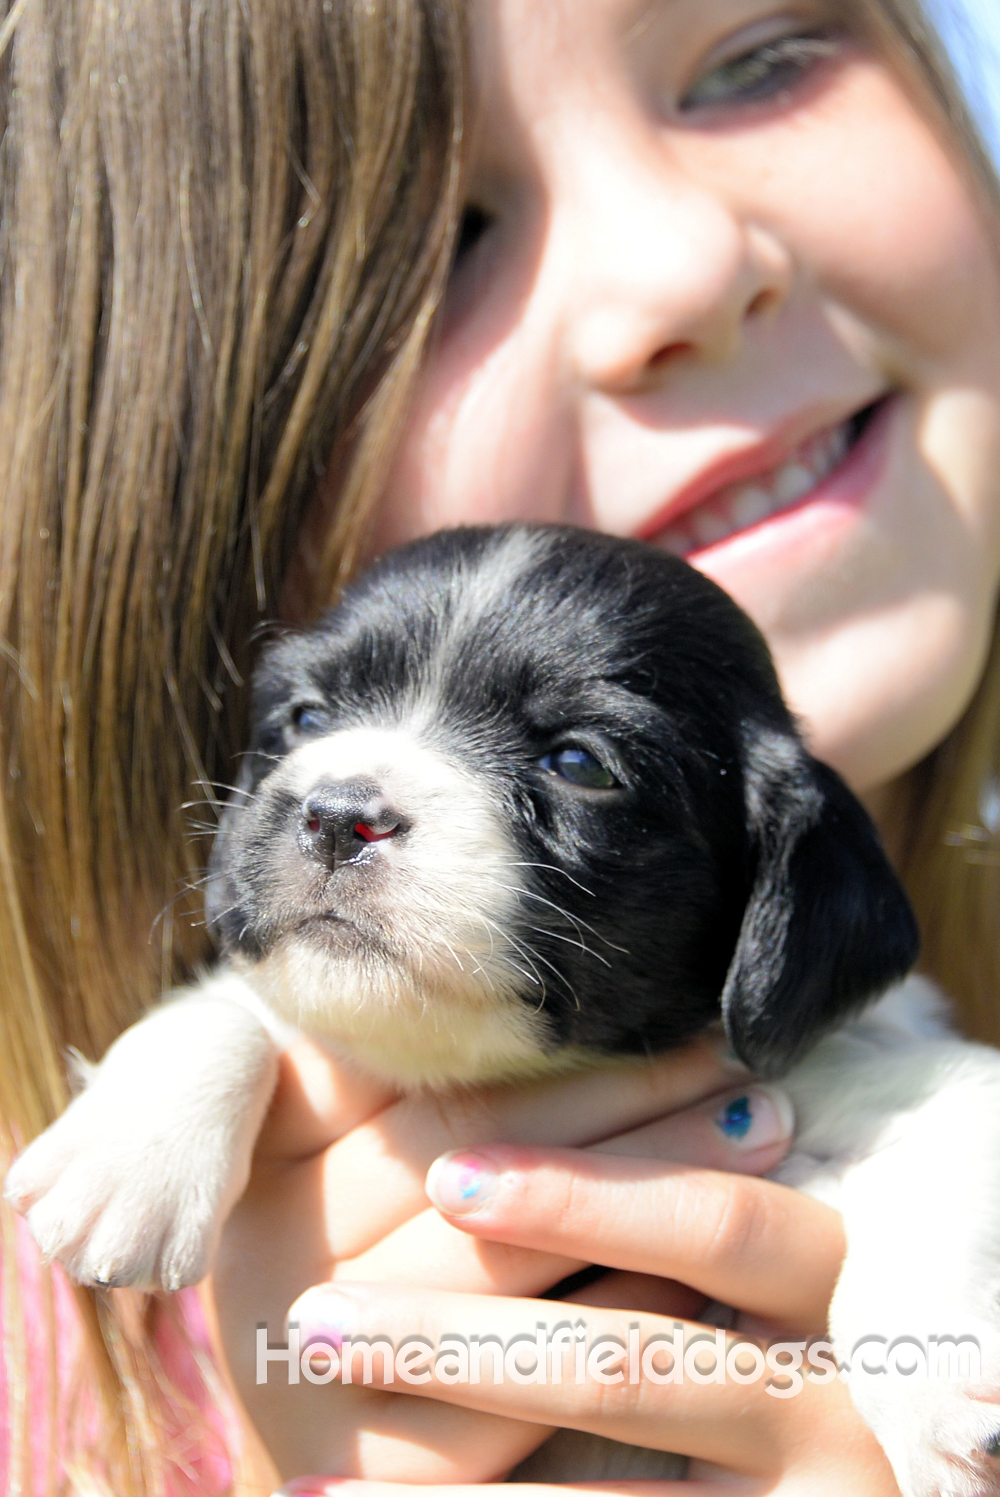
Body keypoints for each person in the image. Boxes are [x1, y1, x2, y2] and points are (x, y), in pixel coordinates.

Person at [2, 2, 999, 1496]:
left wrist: (927, 1344)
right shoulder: (43, 1384)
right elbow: (252, 1014)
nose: (679, 272)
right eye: (442, 233)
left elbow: (940, 1130)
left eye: (757, 56)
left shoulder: (878, 1057)